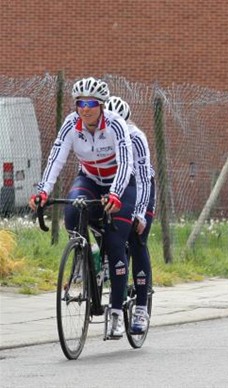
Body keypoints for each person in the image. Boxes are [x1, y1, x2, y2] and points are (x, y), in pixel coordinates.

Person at [29, 77, 135, 339]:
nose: (84, 108)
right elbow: (56, 157)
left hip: (119, 183)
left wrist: (116, 194)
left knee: (115, 241)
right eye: (79, 103)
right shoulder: (70, 124)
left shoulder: (116, 125)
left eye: (90, 103)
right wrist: (43, 190)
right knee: (72, 210)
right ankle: (85, 254)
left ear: (100, 105)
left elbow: (126, 163)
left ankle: (117, 313)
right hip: (89, 178)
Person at [105, 96, 155, 334]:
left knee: (136, 239)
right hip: (113, 185)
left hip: (141, 188)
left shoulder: (136, 138)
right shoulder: (102, 133)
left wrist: (140, 214)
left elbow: (144, 179)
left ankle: (141, 309)